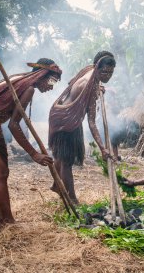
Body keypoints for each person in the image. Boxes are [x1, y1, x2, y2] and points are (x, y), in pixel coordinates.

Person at [0, 58, 62, 229]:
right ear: (43, 74)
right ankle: (8, 222)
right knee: (0, 174)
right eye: (51, 81)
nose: (51, 86)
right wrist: (34, 154)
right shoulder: (29, 88)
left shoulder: (21, 81)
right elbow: (13, 125)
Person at [49, 51, 116, 204]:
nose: (107, 76)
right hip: (66, 120)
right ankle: (72, 199)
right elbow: (91, 122)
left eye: (111, 73)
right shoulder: (91, 85)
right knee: (66, 161)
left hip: (62, 115)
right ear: (97, 67)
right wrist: (102, 148)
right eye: (104, 72)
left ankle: (56, 185)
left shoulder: (88, 71)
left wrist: (98, 90)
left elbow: (71, 83)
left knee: (60, 156)